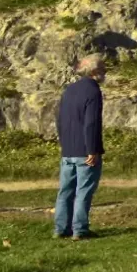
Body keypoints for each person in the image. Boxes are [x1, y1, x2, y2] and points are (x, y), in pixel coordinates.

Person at [53, 54, 105, 240]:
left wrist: (64, 145)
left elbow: (60, 120)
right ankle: (79, 229)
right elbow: (91, 123)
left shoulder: (69, 90)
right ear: (94, 71)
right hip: (85, 151)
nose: (105, 72)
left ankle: (60, 228)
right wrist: (92, 149)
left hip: (68, 150)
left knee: (65, 191)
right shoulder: (93, 91)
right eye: (102, 68)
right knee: (83, 190)